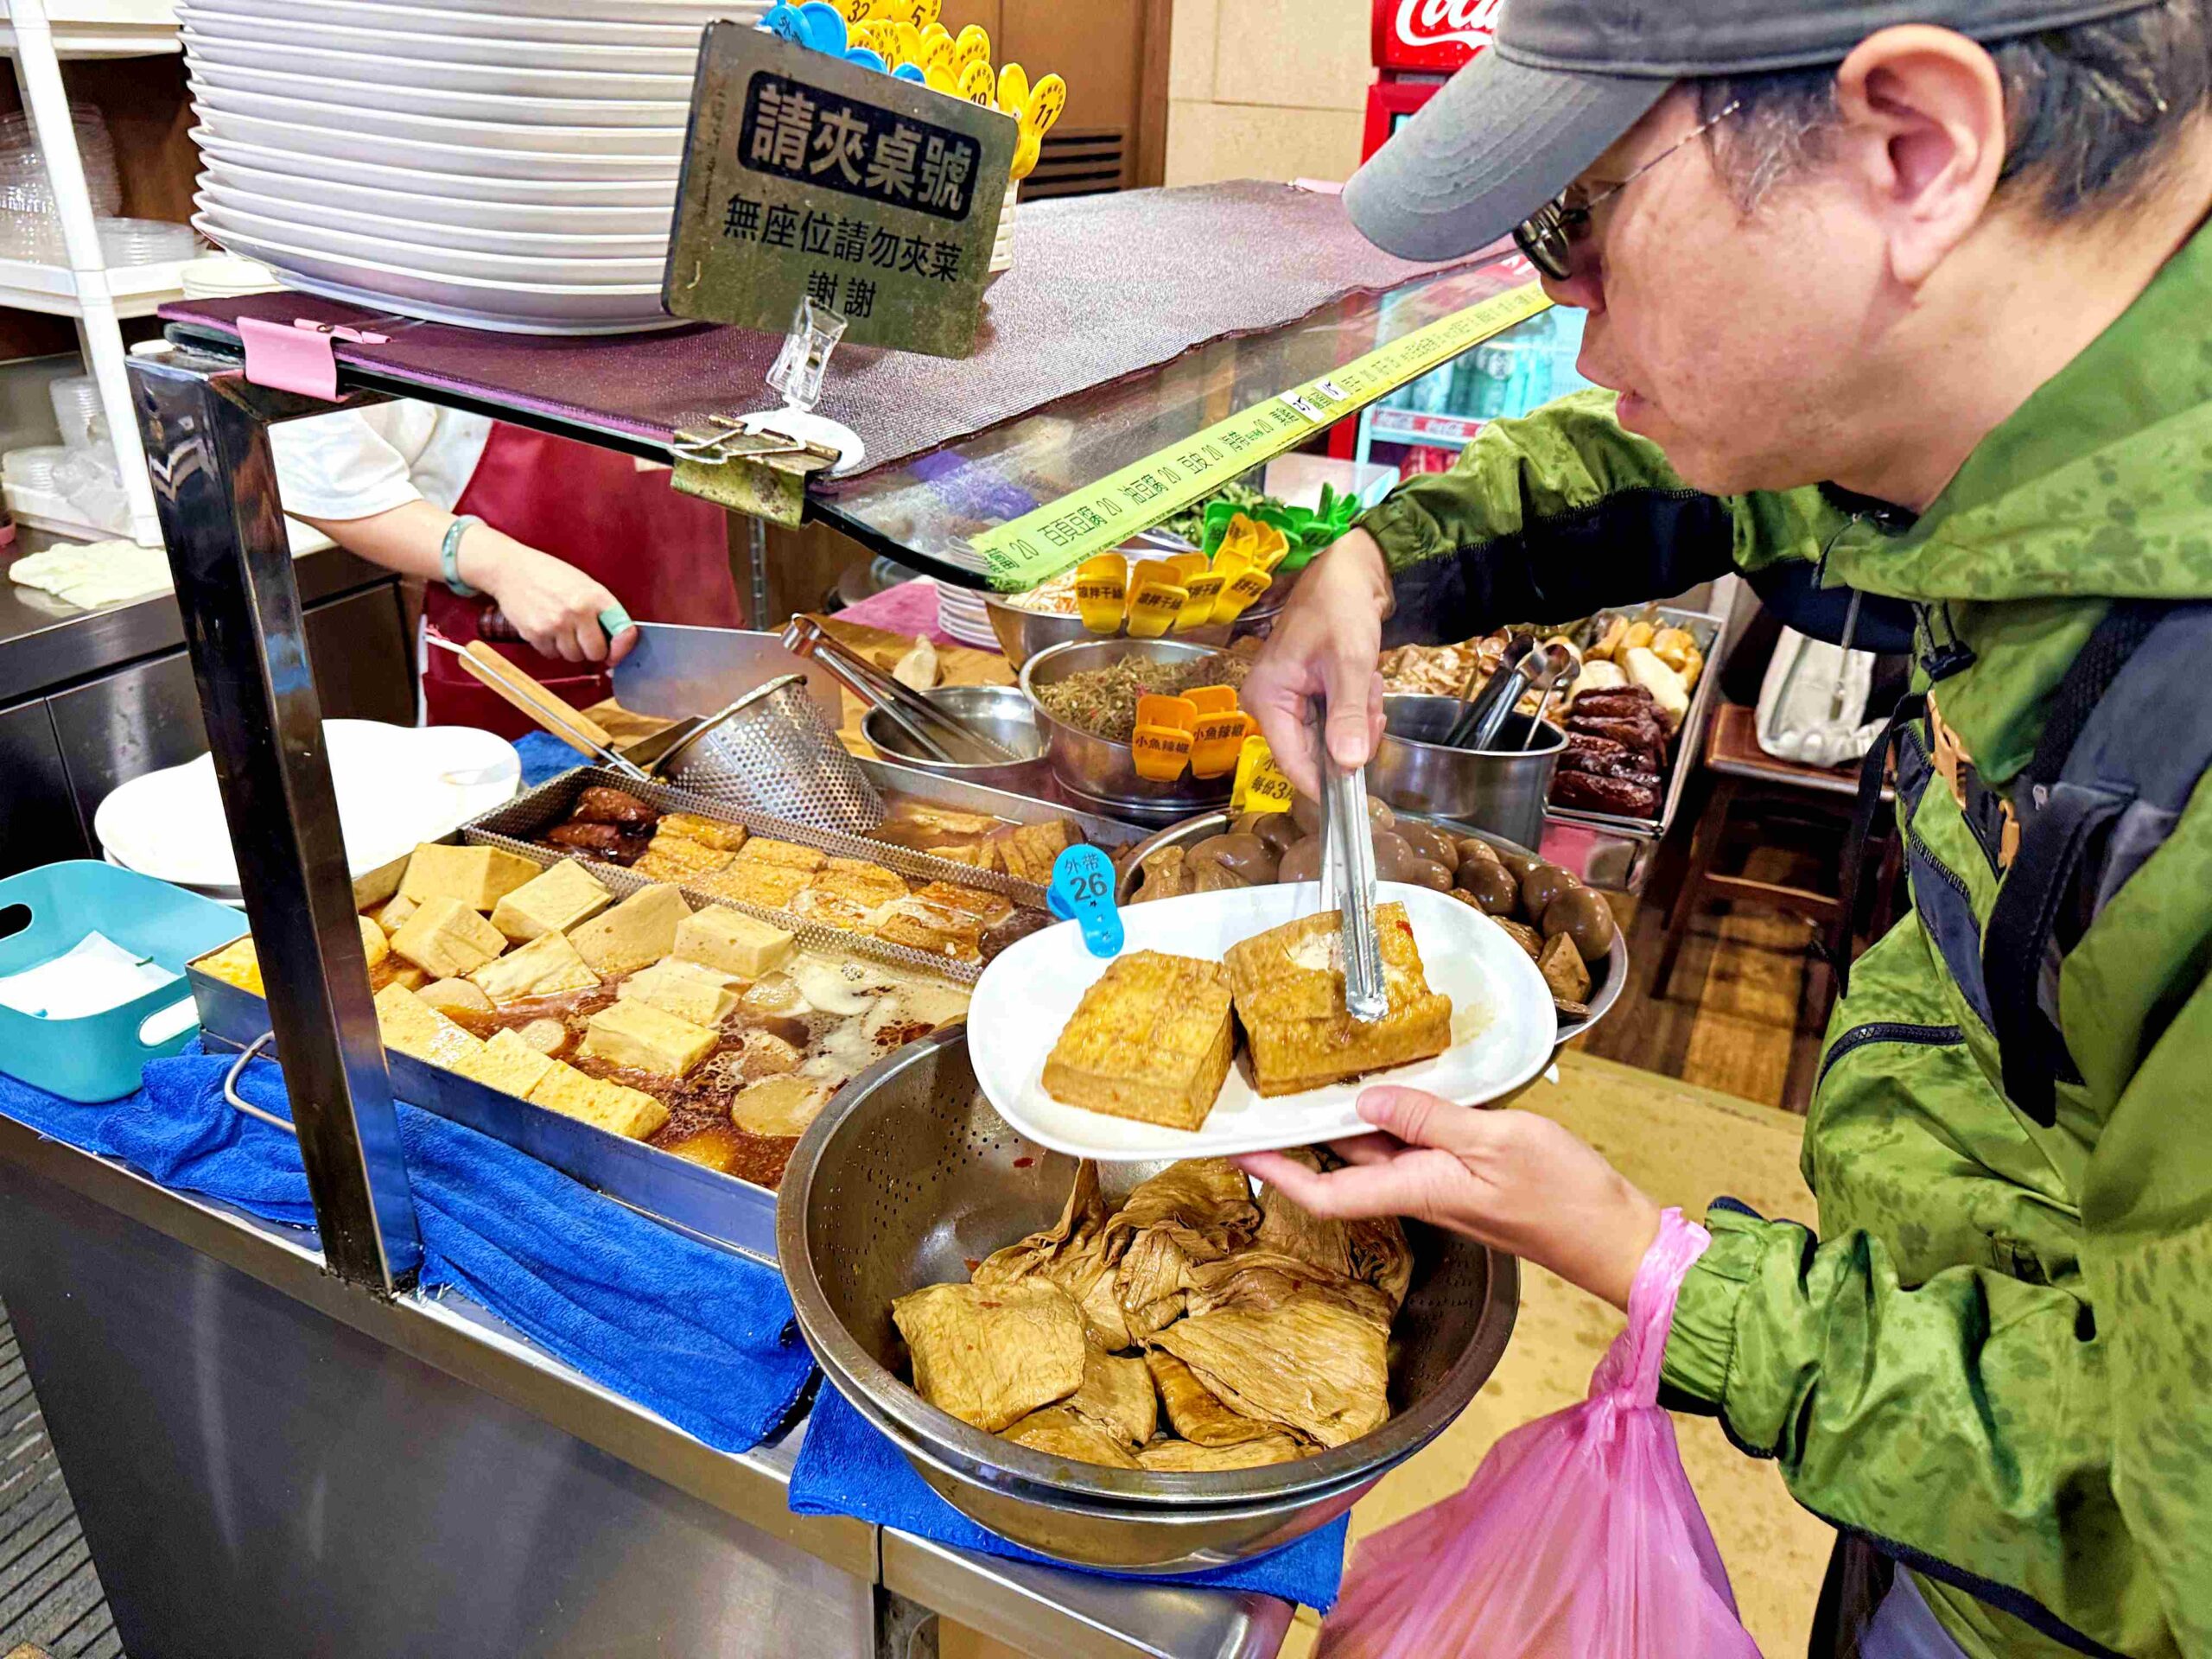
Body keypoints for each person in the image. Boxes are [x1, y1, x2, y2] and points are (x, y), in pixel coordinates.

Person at [1240, 2, 2212, 1655]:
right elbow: (1698, 478)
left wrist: (1659, 1269)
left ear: (1914, 146)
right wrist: (1380, 562)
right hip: (1928, 1420)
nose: (1563, 302)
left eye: (1587, 212)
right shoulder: (2013, 415)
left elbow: (2159, 1490)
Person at [270, 405, 744, 734]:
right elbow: (312, 466)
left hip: (706, 655)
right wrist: (502, 566)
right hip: (514, 680)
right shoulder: (433, 295)